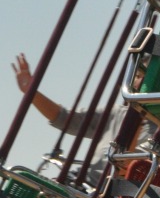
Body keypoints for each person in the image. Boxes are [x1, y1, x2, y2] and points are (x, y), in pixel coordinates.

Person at [11, 54, 151, 186]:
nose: (138, 82)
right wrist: (31, 92)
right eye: (138, 76)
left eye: (146, 78)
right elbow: (66, 119)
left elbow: (125, 167)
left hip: (107, 197)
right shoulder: (116, 113)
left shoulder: (159, 134)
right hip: (78, 184)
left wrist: (138, 115)